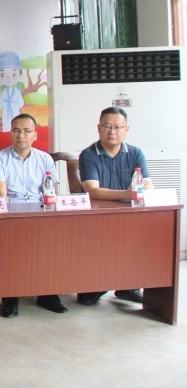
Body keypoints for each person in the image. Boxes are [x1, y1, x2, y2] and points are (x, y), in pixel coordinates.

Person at [0, 113, 67, 317]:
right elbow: (1, 194)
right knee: (12, 244)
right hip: (11, 213)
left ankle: (48, 292)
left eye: (26, 131)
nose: (21, 135)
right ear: (10, 134)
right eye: (16, 130)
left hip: (41, 212)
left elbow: (52, 191)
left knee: (54, 242)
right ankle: (11, 295)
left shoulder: (45, 159)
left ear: (35, 135)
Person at [76, 106, 152, 307]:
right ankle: (98, 284)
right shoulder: (88, 154)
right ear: (98, 128)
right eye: (107, 126)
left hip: (130, 216)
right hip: (97, 217)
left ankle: (128, 286)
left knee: (143, 237)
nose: (112, 131)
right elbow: (92, 190)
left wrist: (142, 188)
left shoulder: (135, 153)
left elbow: (147, 183)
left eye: (118, 127)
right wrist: (126, 194)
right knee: (100, 245)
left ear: (126, 130)